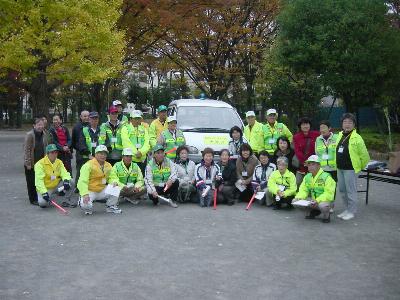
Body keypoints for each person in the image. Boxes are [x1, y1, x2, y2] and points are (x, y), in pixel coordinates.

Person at [336, 113, 370, 221]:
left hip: (350, 169)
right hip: (340, 168)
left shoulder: (357, 138)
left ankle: (351, 211)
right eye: (345, 122)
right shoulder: (340, 135)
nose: (347, 124)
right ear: (342, 124)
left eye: (350, 122)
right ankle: (346, 209)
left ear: (354, 125)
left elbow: (365, 156)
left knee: (350, 191)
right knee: (342, 190)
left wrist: (359, 167)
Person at [77, 145, 121, 215]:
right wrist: (84, 194)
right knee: (86, 205)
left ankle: (111, 206)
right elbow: (82, 181)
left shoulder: (108, 165)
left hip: (102, 189)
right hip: (90, 191)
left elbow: (113, 176)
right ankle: (84, 203)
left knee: (116, 188)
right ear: (96, 154)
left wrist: (114, 182)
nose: (103, 156)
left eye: (105, 154)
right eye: (100, 153)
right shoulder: (88, 165)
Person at [294, 155, 336, 223]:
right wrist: (299, 197)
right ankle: (313, 212)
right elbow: (303, 190)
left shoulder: (326, 177)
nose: (310, 167)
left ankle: (326, 216)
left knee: (323, 206)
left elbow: (329, 193)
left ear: (319, 165)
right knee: (295, 201)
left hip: (324, 201)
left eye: (313, 164)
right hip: (313, 200)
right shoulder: (307, 177)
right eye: (309, 165)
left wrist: (317, 200)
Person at [24, 117, 51, 205]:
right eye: (38, 125)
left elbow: (46, 147)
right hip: (31, 162)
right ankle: (33, 199)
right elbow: (27, 150)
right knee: (31, 182)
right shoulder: (30, 135)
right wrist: (28, 163)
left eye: (42, 125)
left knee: (39, 180)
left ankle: (40, 196)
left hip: (41, 162)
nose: (40, 126)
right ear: (34, 126)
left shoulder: (45, 134)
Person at [121, 110, 150, 176]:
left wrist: (141, 152)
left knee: (142, 178)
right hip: (131, 159)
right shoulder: (125, 128)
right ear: (131, 119)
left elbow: (147, 143)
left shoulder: (144, 129)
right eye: (135, 119)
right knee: (132, 178)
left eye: (139, 118)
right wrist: (135, 153)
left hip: (142, 159)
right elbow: (126, 143)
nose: (137, 121)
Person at [293, 117, 320, 185]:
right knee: (298, 183)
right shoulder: (296, 137)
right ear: (300, 126)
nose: (305, 126)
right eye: (303, 124)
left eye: (307, 124)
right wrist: (305, 162)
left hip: (314, 163)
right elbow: (297, 151)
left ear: (310, 125)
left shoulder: (317, 134)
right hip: (302, 165)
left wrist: (311, 162)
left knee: (314, 183)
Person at [71, 110, 89, 191]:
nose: (86, 118)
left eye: (88, 116)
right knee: (80, 169)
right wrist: (78, 149)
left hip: (89, 152)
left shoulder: (91, 125)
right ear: (81, 117)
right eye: (84, 116)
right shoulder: (76, 127)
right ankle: (77, 187)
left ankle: (88, 186)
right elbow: (73, 141)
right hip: (80, 153)